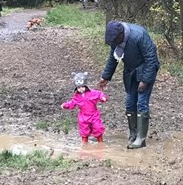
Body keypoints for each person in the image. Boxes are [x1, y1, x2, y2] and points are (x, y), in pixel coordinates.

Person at [99, 21, 160, 149]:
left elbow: (151, 58)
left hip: (146, 69)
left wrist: (145, 80)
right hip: (130, 72)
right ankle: (133, 133)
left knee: (141, 101)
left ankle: (141, 139)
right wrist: (106, 77)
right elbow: (113, 58)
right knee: (129, 102)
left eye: (115, 41)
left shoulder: (139, 35)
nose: (113, 44)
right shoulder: (115, 41)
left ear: (121, 34)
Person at [61, 71, 108, 143]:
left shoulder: (92, 93)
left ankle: (100, 142)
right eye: (79, 87)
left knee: (98, 128)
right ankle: (84, 143)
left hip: (94, 115)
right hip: (83, 116)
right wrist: (65, 105)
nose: (81, 89)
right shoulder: (76, 96)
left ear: (86, 86)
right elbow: (72, 103)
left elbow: (100, 94)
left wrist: (103, 97)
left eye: (82, 87)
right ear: (76, 87)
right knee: (84, 130)